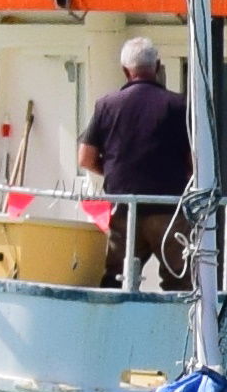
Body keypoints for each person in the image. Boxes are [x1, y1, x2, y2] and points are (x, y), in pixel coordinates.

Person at [83, 35, 196, 282]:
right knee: (179, 280)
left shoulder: (106, 105)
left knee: (115, 279)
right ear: (157, 67)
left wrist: (112, 172)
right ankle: (180, 322)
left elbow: (85, 158)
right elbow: (194, 162)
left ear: (126, 71)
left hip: (124, 209)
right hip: (168, 209)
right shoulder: (178, 106)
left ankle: (113, 320)